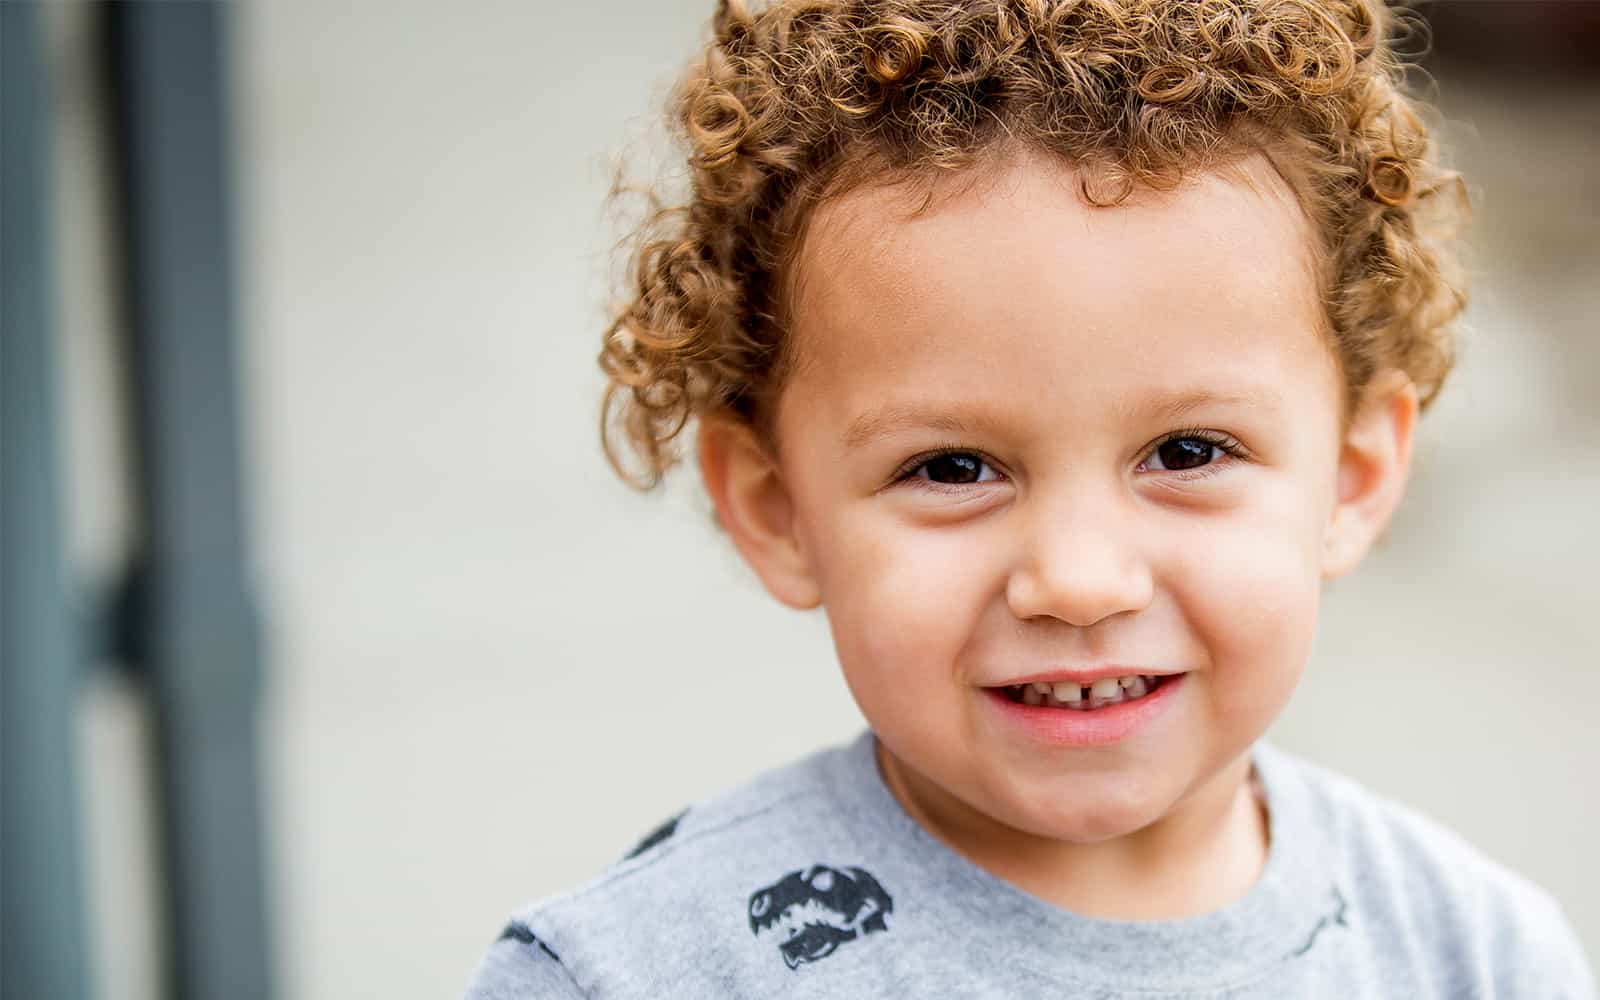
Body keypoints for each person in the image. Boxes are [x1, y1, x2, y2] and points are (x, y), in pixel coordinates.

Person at [465, 1, 1597, 995]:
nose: (1077, 579)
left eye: (1187, 450)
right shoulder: (639, 973)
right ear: (777, 509)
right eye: (952, 468)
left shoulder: (1475, 957)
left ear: (1352, 477)